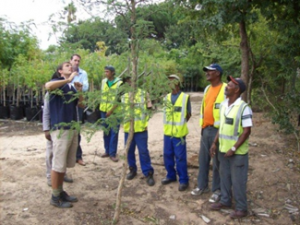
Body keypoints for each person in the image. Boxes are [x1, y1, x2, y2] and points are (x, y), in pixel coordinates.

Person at [209, 76, 252, 219]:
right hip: (222, 150)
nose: (226, 86)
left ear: (237, 89)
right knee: (224, 177)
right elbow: (221, 127)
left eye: (230, 85)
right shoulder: (224, 105)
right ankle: (225, 201)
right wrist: (215, 143)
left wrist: (233, 149)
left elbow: (246, 131)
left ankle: (241, 208)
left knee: (238, 180)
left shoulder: (244, 108)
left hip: (237, 153)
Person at [45, 62, 84, 208]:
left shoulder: (70, 87)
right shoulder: (57, 83)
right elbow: (48, 86)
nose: (70, 67)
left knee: (63, 165)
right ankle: (55, 197)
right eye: (67, 65)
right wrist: (69, 79)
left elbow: (80, 105)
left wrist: (79, 90)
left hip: (71, 128)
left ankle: (60, 191)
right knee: (58, 164)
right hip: (61, 129)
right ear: (60, 71)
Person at [191, 63, 227, 203]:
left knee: (217, 161)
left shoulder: (225, 89)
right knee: (203, 159)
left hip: (218, 131)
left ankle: (217, 189)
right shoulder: (207, 89)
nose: (207, 73)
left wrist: (218, 134)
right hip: (206, 130)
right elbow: (204, 108)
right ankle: (202, 186)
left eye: (210, 71)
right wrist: (202, 127)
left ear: (217, 73)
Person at [121, 76, 155, 186]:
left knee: (143, 151)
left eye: (132, 80)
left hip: (141, 129)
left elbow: (150, 108)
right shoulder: (124, 97)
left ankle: (148, 173)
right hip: (128, 130)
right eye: (127, 81)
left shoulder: (144, 94)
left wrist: (145, 122)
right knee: (129, 151)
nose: (130, 83)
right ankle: (132, 170)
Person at [161, 74, 191, 191]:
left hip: (179, 134)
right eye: (168, 81)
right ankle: (170, 175)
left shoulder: (185, 97)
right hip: (168, 133)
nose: (170, 83)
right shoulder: (165, 98)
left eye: (172, 81)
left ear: (178, 83)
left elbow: (188, 114)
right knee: (167, 155)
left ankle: (183, 180)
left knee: (180, 157)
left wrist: (180, 124)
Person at [43, 72, 73, 186]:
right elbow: (46, 113)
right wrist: (46, 129)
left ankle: (62, 174)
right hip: (53, 129)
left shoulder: (66, 94)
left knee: (62, 154)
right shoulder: (50, 95)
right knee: (51, 154)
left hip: (64, 130)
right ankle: (50, 177)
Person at [99, 66, 122, 162]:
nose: (105, 73)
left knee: (114, 132)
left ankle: (112, 153)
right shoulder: (104, 81)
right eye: (105, 71)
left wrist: (111, 110)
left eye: (107, 72)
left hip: (114, 112)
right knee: (106, 131)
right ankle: (107, 150)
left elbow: (119, 99)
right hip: (103, 110)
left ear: (112, 72)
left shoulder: (119, 83)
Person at [70, 54, 89, 166]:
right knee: (66, 129)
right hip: (66, 104)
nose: (76, 62)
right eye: (75, 60)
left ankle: (78, 156)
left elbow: (85, 87)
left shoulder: (83, 73)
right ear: (71, 61)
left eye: (78, 61)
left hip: (78, 102)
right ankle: (69, 156)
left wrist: (77, 87)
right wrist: (75, 85)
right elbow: (65, 85)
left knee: (77, 130)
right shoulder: (67, 72)